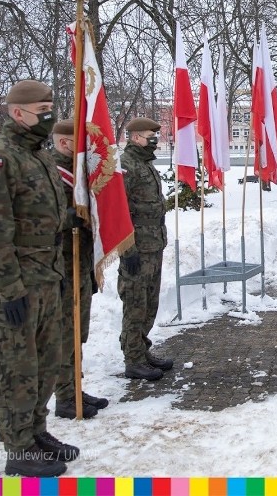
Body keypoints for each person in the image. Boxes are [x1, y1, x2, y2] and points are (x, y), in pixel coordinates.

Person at [0, 80, 78, 477]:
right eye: (42, 108)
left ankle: (36, 431)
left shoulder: (40, 157)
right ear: (18, 113)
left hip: (47, 277)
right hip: (16, 286)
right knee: (18, 367)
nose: (49, 114)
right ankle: (17, 447)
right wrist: (10, 289)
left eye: (51, 105)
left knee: (47, 362)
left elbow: (49, 219)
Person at [49, 120, 109, 419]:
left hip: (80, 262)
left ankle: (74, 388)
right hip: (61, 265)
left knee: (78, 331)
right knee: (64, 332)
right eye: (79, 143)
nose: (85, 149)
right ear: (63, 143)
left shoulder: (80, 175)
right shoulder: (49, 173)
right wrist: (66, 218)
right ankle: (64, 397)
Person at [118, 117, 173, 380]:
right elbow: (119, 212)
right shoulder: (126, 165)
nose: (155, 139)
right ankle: (133, 359)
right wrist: (127, 250)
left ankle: (142, 349)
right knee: (135, 304)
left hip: (153, 244)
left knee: (150, 303)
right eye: (151, 136)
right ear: (135, 137)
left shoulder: (144, 163)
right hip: (137, 248)